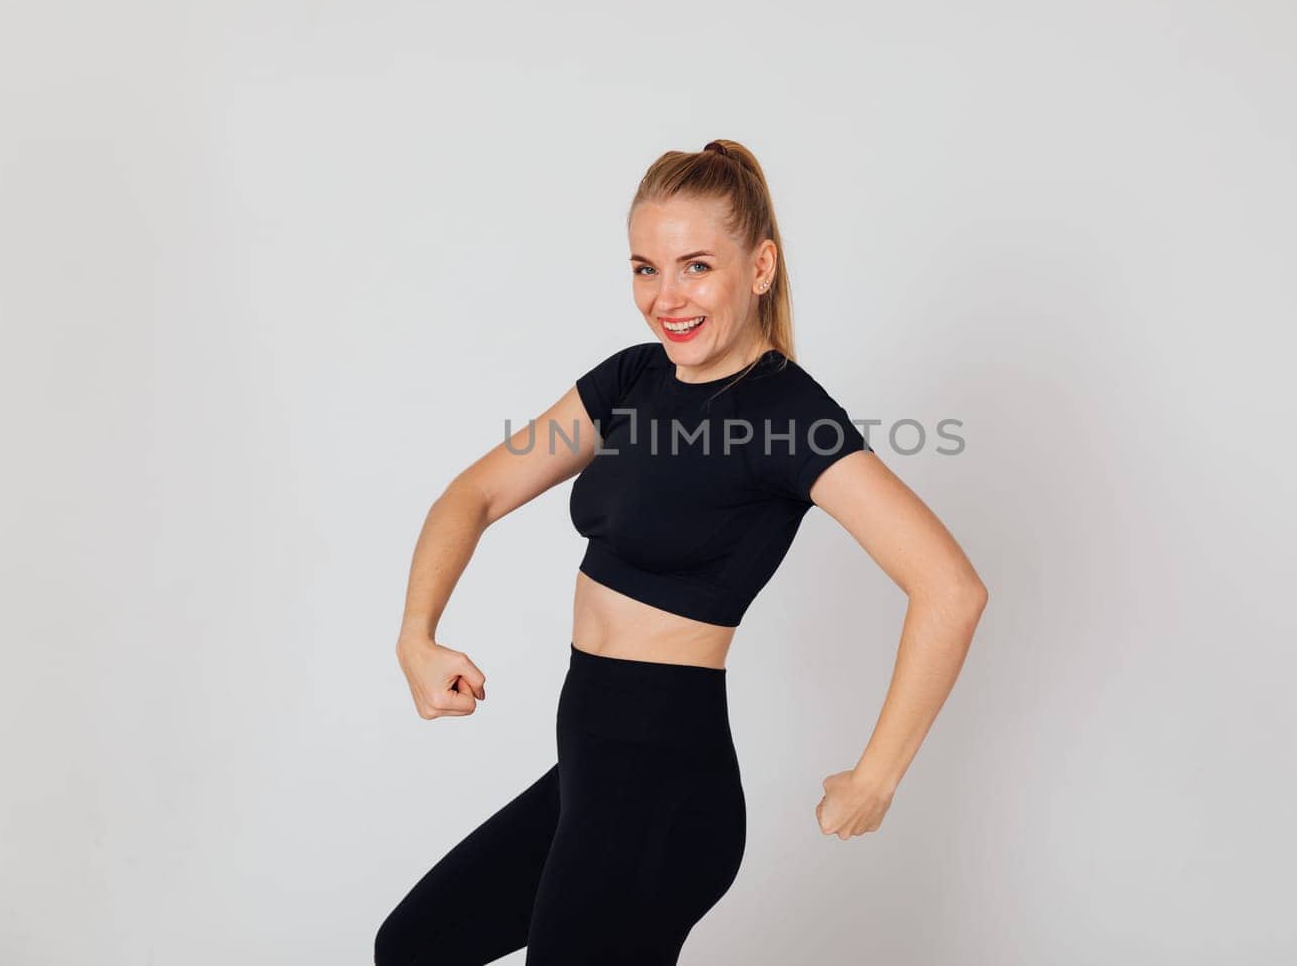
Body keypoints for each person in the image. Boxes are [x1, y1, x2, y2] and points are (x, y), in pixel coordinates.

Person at [374, 139, 988, 965]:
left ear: (760, 265)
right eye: (644, 268)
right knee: (414, 946)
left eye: (696, 265)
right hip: (592, 767)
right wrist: (417, 634)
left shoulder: (786, 416)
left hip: (664, 785)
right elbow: (472, 493)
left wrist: (876, 774)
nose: (666, 297)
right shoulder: (631, 383)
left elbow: (949, 587)